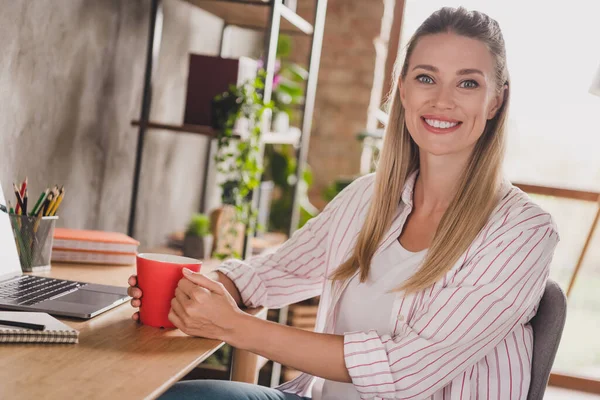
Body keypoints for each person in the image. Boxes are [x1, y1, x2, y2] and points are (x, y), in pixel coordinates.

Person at [128, 7, 559, 400]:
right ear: (403, 90)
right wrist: (200, 290)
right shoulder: (367, 197)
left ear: (495, 100)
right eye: (426, 77)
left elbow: (402, 369)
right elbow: (274, 273)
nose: (442, 100)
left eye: (468, 82)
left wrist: (236, 327)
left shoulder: (522, 231)